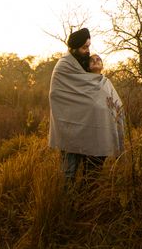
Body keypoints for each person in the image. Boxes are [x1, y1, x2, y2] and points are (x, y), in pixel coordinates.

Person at [48, 27, 125, 182]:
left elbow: (96, 93)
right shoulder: (64, 67)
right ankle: (65, 204)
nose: (88, 51)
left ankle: (86, 203)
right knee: (68, 174)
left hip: (90, 129)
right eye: (84, 47)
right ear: (74, 49)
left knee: (91, 173)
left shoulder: (86, 67)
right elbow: (56, 95)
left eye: (89, 46)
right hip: (69, 129)